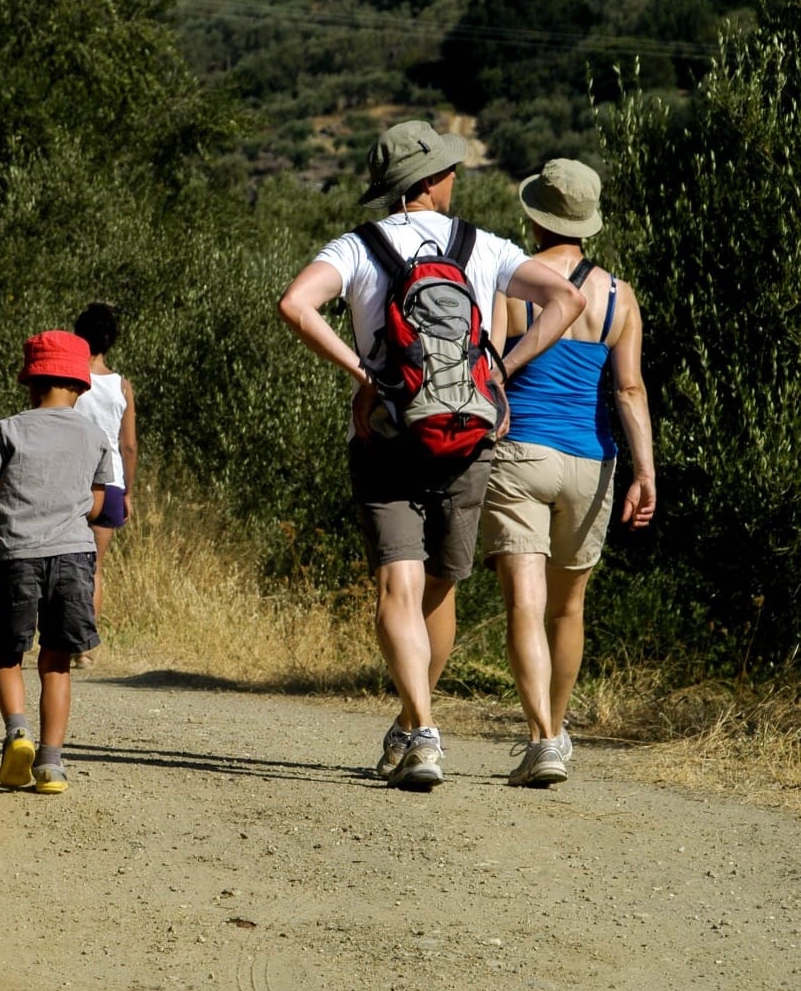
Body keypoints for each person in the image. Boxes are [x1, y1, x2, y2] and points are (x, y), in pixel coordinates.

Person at [276, 120, 585, 789]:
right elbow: (566, 297)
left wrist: (362, 373)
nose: (455, 179)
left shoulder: (356, 247)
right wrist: (501, 368)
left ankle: (419, 732)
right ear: (428, 181)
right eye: (449, 170)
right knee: (437, 589)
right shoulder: (481, 246)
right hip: (468, 440)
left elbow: (295, 305)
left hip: (387, 435)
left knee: (399, 583)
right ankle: (414, 723)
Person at [484, 158, 656, 786]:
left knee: (524, 605)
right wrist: (646, 475)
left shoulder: (514, 284)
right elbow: (630, 390)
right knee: (568, 608)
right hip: (594, 464)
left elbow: (494, 367)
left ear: (534, 216)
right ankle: (552, 735)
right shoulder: (619, 295)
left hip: (521, 453)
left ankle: (543, 739)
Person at [0, 331, 112, 795]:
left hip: (17, 557)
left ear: (30, 384)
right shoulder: (94, 435)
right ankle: (51, 764)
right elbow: (96, 503)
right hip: (73, 558)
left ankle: (17, 732)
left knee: (7, 655)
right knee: (56, 662)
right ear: (81, 385)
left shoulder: (8, 428)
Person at [70, 301, 138, 668]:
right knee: (94, 568)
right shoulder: (122, 386)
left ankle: (60, 638)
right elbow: (128, 445)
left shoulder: (68, 380)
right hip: (109, 482)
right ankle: (85, 648)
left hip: (71, 481)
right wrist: (127, 490)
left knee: (62, 564)